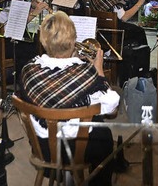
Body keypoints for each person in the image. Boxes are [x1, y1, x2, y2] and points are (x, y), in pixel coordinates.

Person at [19, 12, 119, 186]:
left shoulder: (28, 70)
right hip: (74, 151)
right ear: (73, 41)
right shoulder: (86, 73)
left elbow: (55, 82)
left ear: (43, 41)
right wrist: (99, 72)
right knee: (105, 133)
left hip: (43, 148)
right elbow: (112, 107)